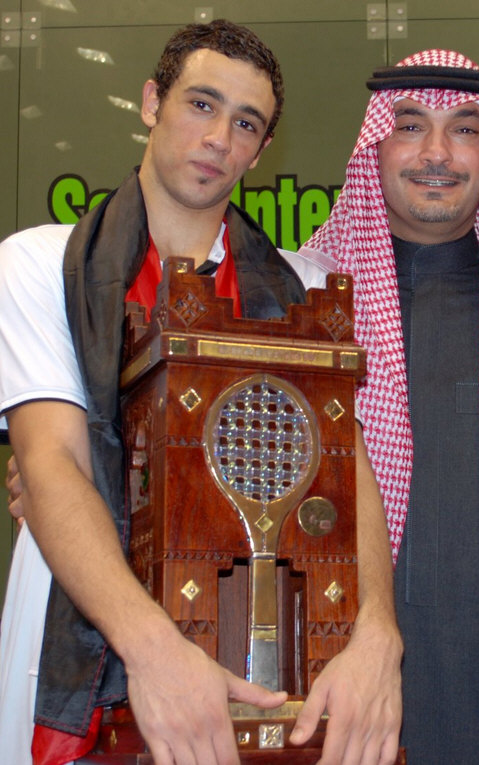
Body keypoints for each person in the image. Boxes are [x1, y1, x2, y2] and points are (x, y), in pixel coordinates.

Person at [0, 20, 400, 765]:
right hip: (85, 632)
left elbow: (350, 477)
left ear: (262, 148)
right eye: (201, 104)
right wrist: (154, 651)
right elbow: (54, 464)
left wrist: (379, 630)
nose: (218, 137)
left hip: (266, 639)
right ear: (152, 102)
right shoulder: (42, 264)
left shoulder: (303, 284)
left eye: (245, 123)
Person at [296, 50, 479, 764]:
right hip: (338, 673)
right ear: (374, 144)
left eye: (466, 129)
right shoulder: (297, 298)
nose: (437, 153)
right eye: (411, 124)